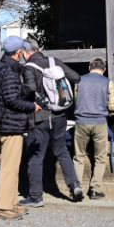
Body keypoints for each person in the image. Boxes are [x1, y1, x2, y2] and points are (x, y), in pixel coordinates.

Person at [20, 39, 84, 207]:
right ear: (39, 49)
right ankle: (74, 185)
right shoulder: (54, 62)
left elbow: (29, 89)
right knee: (61, 151)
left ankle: (36, 197)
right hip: (60, 115)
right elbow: (76, 77)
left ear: (25, 53)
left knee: (36, 157)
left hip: (39, 117)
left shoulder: (28, 68)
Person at [0, 35, 41, 220]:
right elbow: (11, 99)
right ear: (19, 52)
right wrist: (32, 106)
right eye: (22, 50)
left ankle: (12, 202)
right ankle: (3, 207)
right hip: (10, 124)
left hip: (5, 123)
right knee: (9, 168)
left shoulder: (0, 68)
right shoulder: (9, 72)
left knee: (11, 166)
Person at [72, 57, 114, 200]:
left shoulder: (79, 81)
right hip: (99, 122)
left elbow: (76, 100)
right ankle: (95, 189)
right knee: (100, 157)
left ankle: (76, 187)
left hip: (81, 122)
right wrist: (108, 114)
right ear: (104, 69)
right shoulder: (108, 82)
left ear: (89, 67)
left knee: (78, 157)